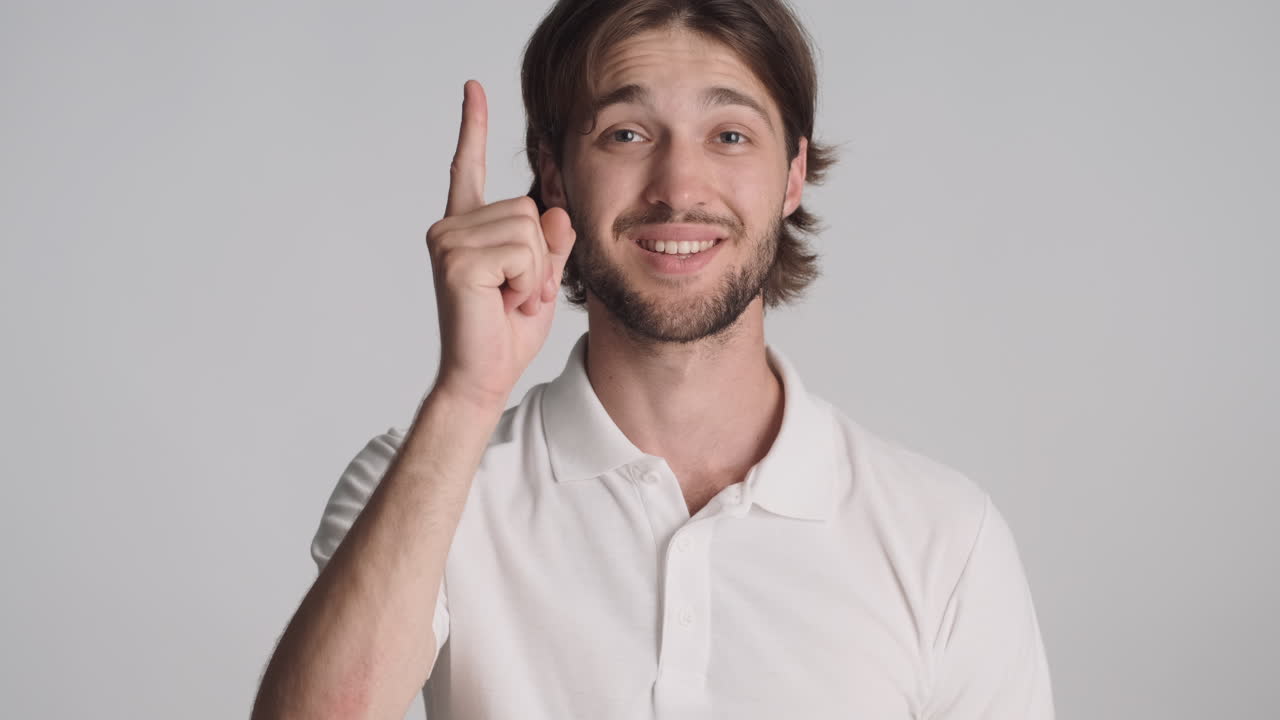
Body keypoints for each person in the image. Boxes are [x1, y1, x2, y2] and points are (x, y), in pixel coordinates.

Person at [252, 1, 1055, 718]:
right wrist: (468, 394)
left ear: (793, 176)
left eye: (730, 135)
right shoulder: (418, 481)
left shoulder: (945, 538)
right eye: (627, 134)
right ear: (554, 170)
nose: (679, 186)